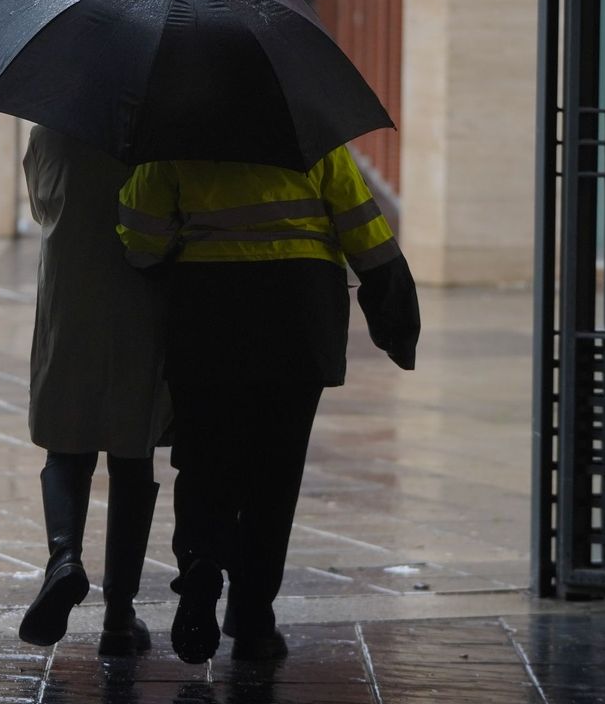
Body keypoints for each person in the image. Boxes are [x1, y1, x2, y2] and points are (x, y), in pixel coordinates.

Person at [117, 145, 420, 663]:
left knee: (204, 456)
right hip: (297, 316)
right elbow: (365, 230)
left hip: (208, 312)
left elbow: (141, 241)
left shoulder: (176, 141)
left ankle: (201, 562)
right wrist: (395, 315)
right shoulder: (312, 139)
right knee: (275, 472)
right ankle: (253, 616)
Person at [18, 125, 172, 655]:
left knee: (67, 445)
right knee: (132, 458)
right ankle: (119, 620)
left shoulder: (51, 132)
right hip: (139, 307)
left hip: (68, 302)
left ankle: (64, 558)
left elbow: (41, 207)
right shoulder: (157, 133)